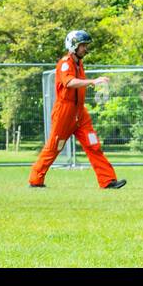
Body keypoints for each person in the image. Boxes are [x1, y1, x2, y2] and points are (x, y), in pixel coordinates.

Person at [29, 30, 126, 190]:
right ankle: (35, 180)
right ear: (73, 46)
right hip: (64, 113)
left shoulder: (79, 64)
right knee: (54, 147)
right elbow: (69, 82)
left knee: (93, 144)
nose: (85, 49)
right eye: (83, 45)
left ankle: (108, 181)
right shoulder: (65, 63)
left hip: (80, 112)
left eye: (86, 45)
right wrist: (92, 81)